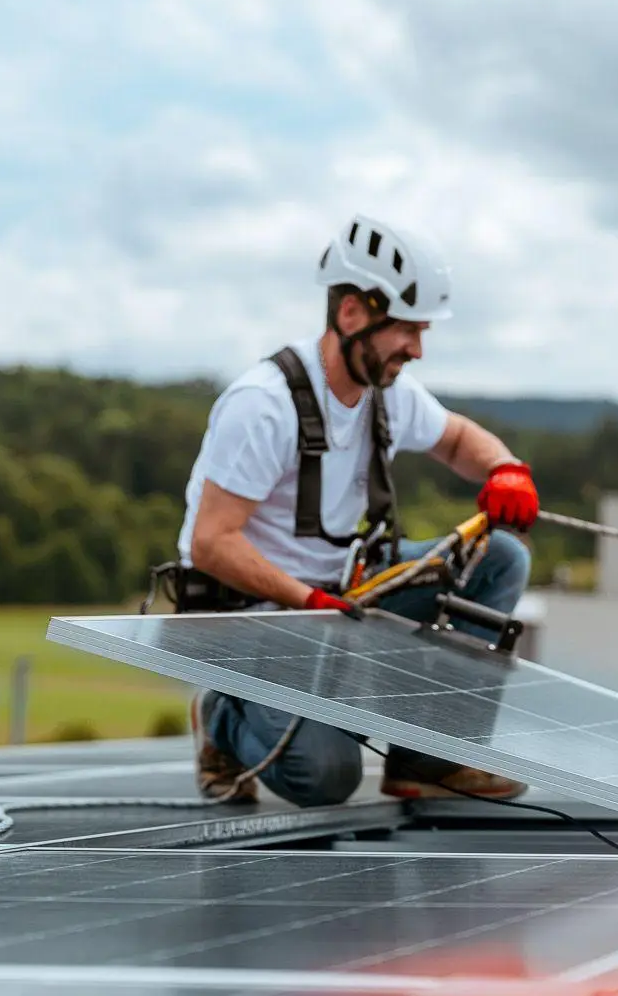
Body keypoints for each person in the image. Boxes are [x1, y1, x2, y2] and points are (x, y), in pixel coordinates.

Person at [173, 214, 542, 807]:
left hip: (348, 595)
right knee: (323, 777)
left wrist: (506, 469)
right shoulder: (264, 406)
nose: (417, 350)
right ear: (352, 314)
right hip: (265, 620)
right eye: (406, 332)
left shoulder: (387, 393)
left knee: (497, 557)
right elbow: (210, 542)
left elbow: (454, 440)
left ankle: (427, 758)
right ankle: (223, 714)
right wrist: (307, 599)